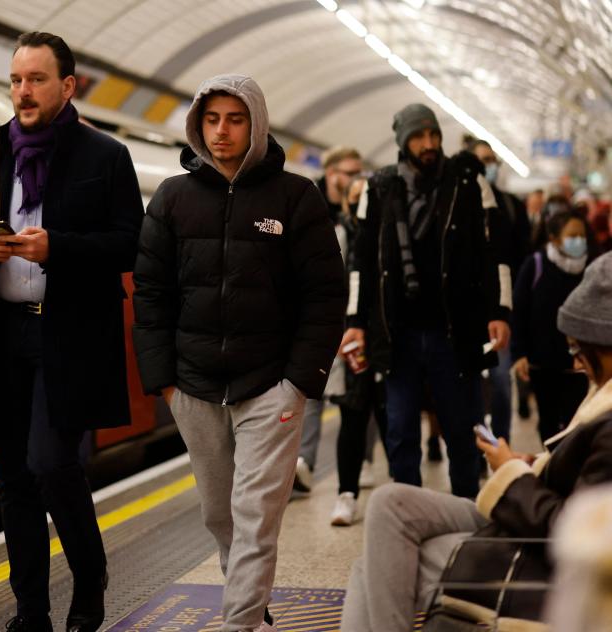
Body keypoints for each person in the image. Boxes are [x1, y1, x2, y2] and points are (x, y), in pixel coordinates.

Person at [0, 32, 143, 632]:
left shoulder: (104, 157)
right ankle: (32, 611)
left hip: (69, 339)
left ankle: (89, 575)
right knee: (13, 479)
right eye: (15, 80)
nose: (23, 92)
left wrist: (59, 248)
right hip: (2, 337)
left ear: (67, 86)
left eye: (35, 80)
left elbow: (131, 245)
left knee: (52, 463)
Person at [132, 74, 345, 632]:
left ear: (256, 123)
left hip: (270, 385)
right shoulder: (173, 198)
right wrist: (165, 382)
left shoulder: (296, 196)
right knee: (219, 513)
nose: (222, 131)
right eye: (212, 119)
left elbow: (325, 294)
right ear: (198, 126)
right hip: (193, 385)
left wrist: (300, 381)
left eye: (234, 119)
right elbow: (150, 292)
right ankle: (248, 597)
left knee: (255, 516)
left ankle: (241, 621)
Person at [341, 251, 612, 631]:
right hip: (526, 506)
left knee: (376, 558)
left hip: (534, 542)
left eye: (580, 351)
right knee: (388, 508)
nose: (576, 363)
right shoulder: (603, 397)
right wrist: (530, 463)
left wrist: (513, 473)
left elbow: (575, 530)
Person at [341, 103, 511, 499]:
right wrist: (355, 323)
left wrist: (499, 311)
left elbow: (494, 253)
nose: (429, 144)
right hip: (398, 334)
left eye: (433, 135)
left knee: (461, 425)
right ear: (403, 141)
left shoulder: (467, 182)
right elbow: (360, 263)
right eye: (418, 137)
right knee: (400, 430)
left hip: (453, 332)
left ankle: (467, 505)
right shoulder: (378, 187)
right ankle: (408, 508)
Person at [317, 146, 388, 525]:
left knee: (392, 418)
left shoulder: (389, 242)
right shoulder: (339, 238)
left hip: (387, 342)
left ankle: (401, 495)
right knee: (353, 417)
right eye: (357, 202)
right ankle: (346, 495)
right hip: (353, 343)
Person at [469, 139, 531, 444]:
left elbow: (520, 260)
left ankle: (501, 444)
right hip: (467, 312)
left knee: (500, 380)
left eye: (492, 160)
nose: (488, 166)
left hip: (502, 309)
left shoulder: (511, 206)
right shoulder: (459, 205)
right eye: (482, 160)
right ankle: (479, 444)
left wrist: (511, 307)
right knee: (472, 386)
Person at [512, 210, 590, 443]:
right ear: (555, 238)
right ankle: (554, 466)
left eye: (582, 235)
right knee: (548, 421)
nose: (579, 241)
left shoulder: (591, 267)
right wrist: (519, 354)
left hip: (579, 364)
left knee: (575, 420)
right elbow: (520, 310)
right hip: (542, 362)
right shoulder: (536, 265)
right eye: (572, 235)